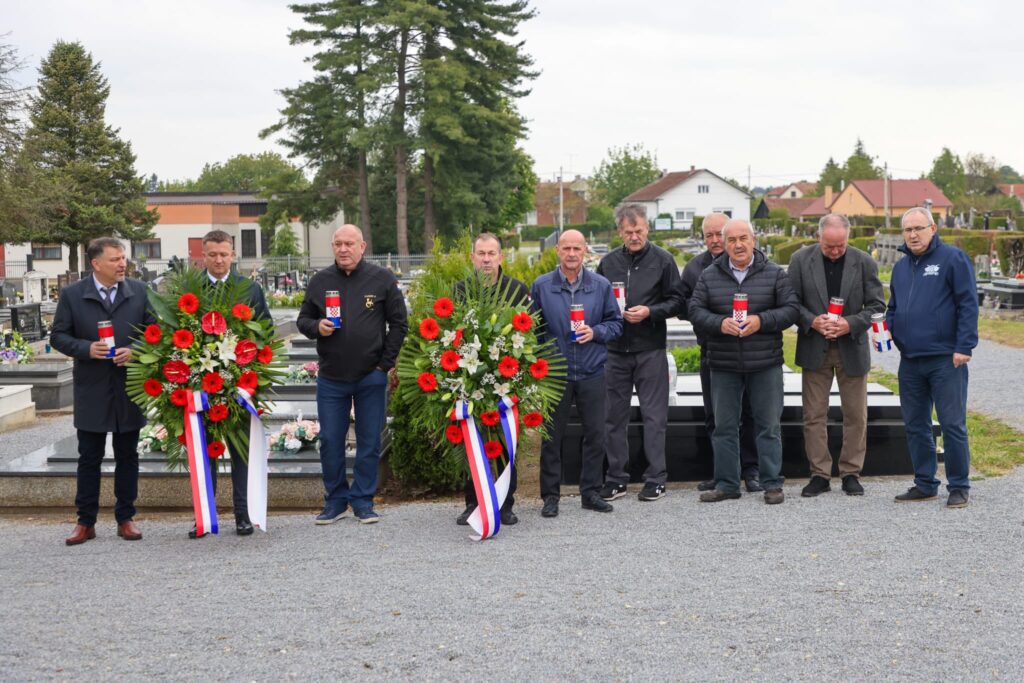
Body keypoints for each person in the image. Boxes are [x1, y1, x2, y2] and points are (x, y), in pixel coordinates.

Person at [297, 224, 408, 524]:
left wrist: (384, 364)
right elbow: (302, 319)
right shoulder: (321, 281)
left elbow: (399, 323)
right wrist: (315, 327)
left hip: (370, 376)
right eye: (338, 244)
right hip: (332, 377)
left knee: (369, 440)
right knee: (331, 440)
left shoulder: (382, 279)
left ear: (363, 246)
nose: (343, 249)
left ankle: (362, 500)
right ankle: (335, 500)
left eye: (349, 244)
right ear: (333, 247)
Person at [51, 237, 156, 545]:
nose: (122, 264)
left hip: (129, 387)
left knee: (128, 455)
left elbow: (156, 332)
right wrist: (86, 348)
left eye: (123, 258)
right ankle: (85, 522)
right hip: (92, 387)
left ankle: (126, 518)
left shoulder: (139, 291)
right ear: (96, 264)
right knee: (89, 457)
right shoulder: (72, 295)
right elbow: (58, 335)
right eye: (115, 259)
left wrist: (135, 350)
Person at [687, 219, 799, 504]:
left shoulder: (774, 273)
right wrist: (720, 323)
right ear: (724, 244)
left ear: (753, 240)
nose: (738, 245)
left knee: (768, 425)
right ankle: (727, 484)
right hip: (723, 363)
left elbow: (790, 310)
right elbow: (695, 311)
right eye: (732, 240)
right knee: (725, 426)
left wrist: (761, 320)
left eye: (743, 239)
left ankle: (772, 483)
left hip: (765, 362)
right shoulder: (709, 275)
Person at [788, 214, 886, 497]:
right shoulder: (800, 260)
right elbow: (790, 302)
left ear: (848, 238)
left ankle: (850, 472)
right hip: (814, 345)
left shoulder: (864, 261)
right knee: (813, 414)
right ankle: (819, 473)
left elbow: (877, 305)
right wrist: (812, 321)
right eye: (829, 246)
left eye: (840, 246)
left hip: (851, 347)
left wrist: (849, 323)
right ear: (819, 237)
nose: (834, 252)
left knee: (856, 414)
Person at [887, 207, 978, 508]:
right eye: (907, 230)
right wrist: (887, 329)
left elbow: (967, 304)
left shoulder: (952, 259)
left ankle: (959, 485)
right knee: (915, 424)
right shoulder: (901, 268)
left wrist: (964, 346)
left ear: (933, 229)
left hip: (945, 359)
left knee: (952, 424)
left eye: (918, 228)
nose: (912, 235)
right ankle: (925, 482)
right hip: (910, 360)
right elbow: (894, 307)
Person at [530, 229, 622, 517]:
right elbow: (532, 328)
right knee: (552, 437)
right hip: (555, 373)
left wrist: (595, 332)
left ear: (586, 251)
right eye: (566, 248)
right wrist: (545, 355)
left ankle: (591, 492)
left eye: (577, 249)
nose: (571, 254)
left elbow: (616, 324)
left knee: (595, 434)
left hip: (592, 369)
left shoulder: (601, 285)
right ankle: (550, 496)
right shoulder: (542, 286)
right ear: (558, 250)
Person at [596, 204, 683, 502]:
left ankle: (656, 477)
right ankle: (616, 478)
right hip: (615, 351)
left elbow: (677, 301)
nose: (634, 237)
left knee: (654, 416)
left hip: (650, 349)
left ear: (648, 229)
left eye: (639, 231)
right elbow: (598, 302)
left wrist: (651, 311)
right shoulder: (607, 263)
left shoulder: (663, 260)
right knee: (613, 417)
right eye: (628, 232)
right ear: (619, 232)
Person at [188, 229, 272, 538]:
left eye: (224, 254)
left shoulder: (248, 288)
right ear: (203, 256)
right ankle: (204, 516)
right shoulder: (192, 289)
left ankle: (242, 514)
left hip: (239, 384)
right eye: (212, 254)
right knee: (202, 450)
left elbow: (265, 329)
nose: (219, 260)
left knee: (240, 451)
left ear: (232, 255)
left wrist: (246, 362)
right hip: (202, 385)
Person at [679, 212, 762, 493]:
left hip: (752, 351)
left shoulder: (755, 265)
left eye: (719, 235)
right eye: (709, 236)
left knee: (749, 412)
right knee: (715, 415)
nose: (715, 240)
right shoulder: (694, 269)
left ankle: (752, 470)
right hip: (714, 352)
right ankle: (723, 471)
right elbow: (686, 308)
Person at [454, 233, 530, 527]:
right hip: (470, 379)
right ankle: (472, 503)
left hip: (507, 380)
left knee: (505, 441)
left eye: (492, 253)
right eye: (481, 253)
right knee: (471, 441)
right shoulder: (460, 290)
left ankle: (505, 504)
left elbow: (530, 332)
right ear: (472, 257)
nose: (486, 259)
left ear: (501, 257)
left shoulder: (517, 290)